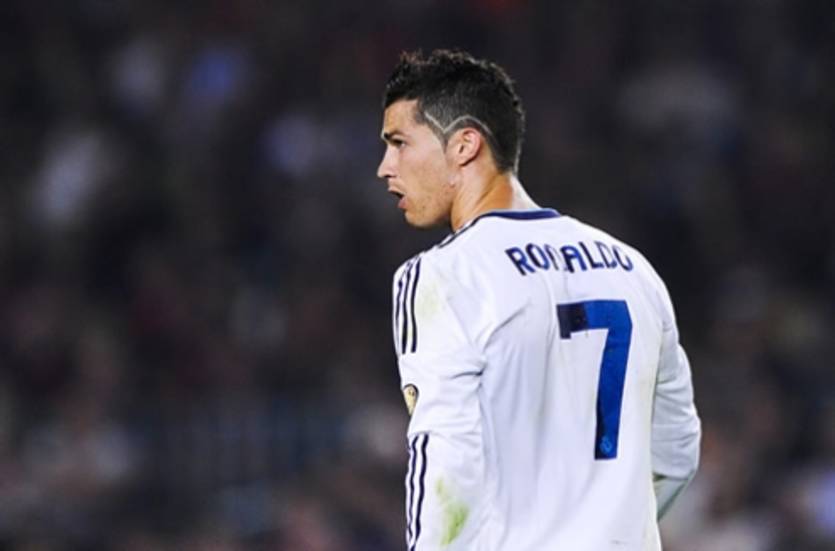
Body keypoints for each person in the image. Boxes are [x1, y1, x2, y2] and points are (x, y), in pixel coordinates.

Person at [376, 49, 701, 551]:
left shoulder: (445, 274)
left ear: (464, 145)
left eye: (399, 143)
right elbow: (676, 453)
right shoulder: (633, 268)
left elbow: (447, 461)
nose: (385, 167)